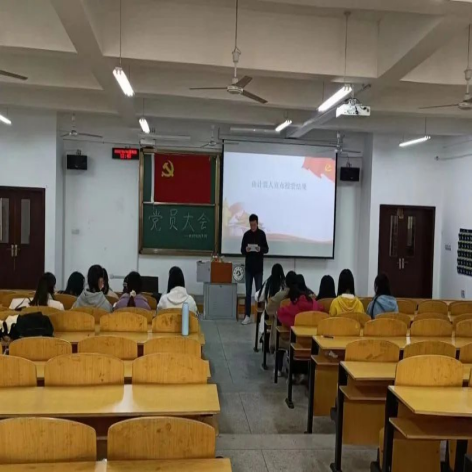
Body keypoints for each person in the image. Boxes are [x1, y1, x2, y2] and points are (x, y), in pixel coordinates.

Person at [241, 214, 269, 325]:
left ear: (257, 223)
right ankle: (247, 315)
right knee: (248, 293)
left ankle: (259, 317)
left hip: (258, 269)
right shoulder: (246, 235)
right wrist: (246, 250)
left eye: (254, 224)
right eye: (251, 225)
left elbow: (266, 249)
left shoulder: (262, 234)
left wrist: (260, 249)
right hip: (248, 268)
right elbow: (242, 250)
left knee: (259, 293)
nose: (252, 226)